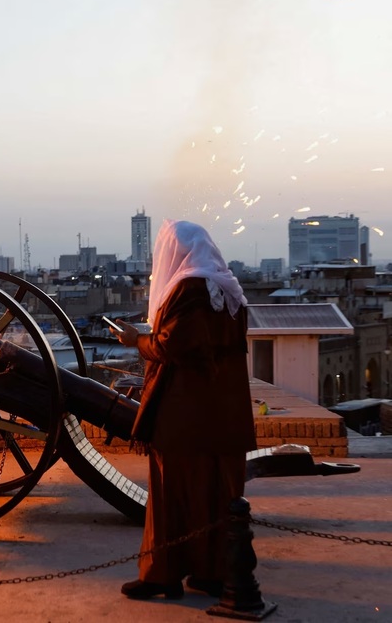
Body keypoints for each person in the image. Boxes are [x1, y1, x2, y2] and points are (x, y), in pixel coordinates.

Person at [110, 219, 255, 600]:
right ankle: (212, 572)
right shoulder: (231, 291)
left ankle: (162, 575)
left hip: (183, 415)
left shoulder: (189, 289)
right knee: (217, 497)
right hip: (224, 414)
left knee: (169, 497)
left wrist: (134, 339)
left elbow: (170, 346)